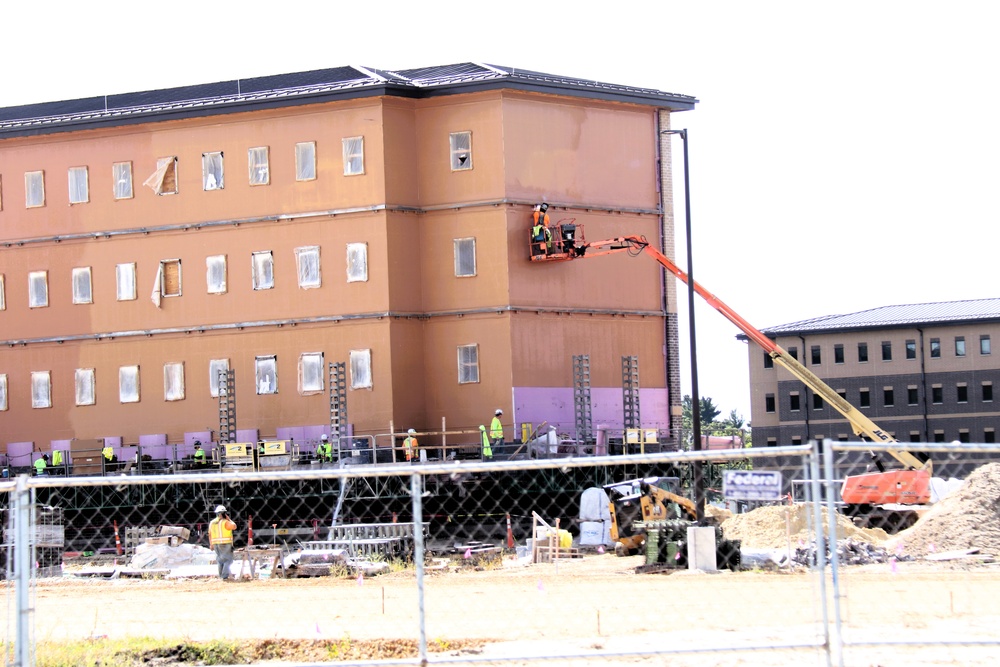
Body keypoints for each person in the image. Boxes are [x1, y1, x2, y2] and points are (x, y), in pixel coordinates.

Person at [209, 505, 238, 581]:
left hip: (215, 544)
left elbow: (210, 534)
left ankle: (221, 575)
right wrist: (229, 519)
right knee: (228, 560)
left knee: (220, 560)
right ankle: (224, 576)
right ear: (224, 513)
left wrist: (211, 544)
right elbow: (234, 526)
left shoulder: (212, 523)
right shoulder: (225, 522)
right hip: (225, 543)